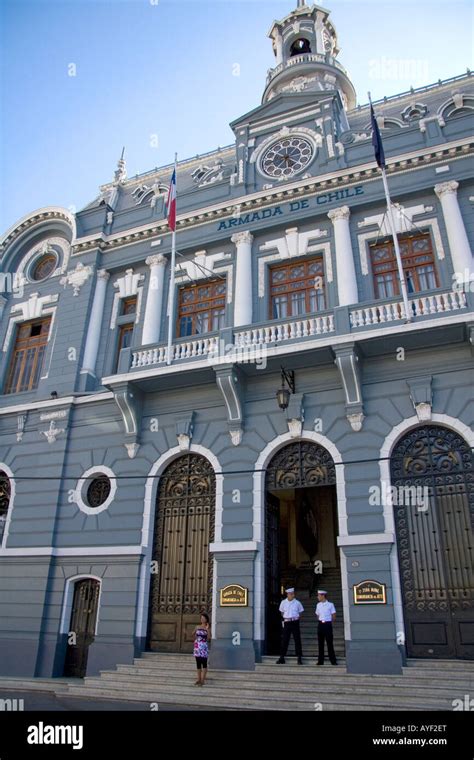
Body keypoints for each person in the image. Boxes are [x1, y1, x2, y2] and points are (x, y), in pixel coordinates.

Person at [276, 587, 304, 665]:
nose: (292, 595)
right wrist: (287, 617)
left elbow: (301, 612)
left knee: (297, 640)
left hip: (295, 622)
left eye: (293, 594)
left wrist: (296, 617)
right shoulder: (283, 602)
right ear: (287, 594)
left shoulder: (297, 603)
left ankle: (299, 657)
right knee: (285, 640)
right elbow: (281, 612)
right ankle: (282, 657)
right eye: (290, 594)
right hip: (287, 622)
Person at [315, 590, 337, 665]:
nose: (317, 597)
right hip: (320, 624)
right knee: (320, 644)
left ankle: (333, 660)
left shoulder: (330, 604)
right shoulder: (318, 605)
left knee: (329, 643)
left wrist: (329, 622)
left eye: (318, 595)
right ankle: (320, 661)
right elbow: (317, 615)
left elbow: (334, 615)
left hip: (327, 624)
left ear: (323, 596)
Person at [193, 612, 211, 685]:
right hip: (197, 647)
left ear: (206, 619)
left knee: (204, 663)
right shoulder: (197, 627)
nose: (202, 619)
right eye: (201, 618)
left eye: (203, 618)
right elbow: (193, 634)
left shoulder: (207, 628)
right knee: (198, 663)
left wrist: (207, 630)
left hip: (204, 647)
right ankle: (198, 679)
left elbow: (209, 638)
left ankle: (203, 680)